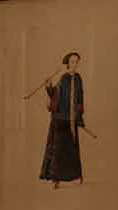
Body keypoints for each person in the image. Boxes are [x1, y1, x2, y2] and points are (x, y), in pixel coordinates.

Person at [39, 52, 86, 187]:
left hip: (72, 119)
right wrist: (48, 86)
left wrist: (79, 115)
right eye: (72, 62)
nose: (75, 65)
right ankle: (56, 178)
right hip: (61, 119)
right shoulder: (63, 78)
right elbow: (55, 94)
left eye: (77, 62)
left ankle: (75, 176)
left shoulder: (78, 78)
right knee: (59, 150)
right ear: (67, 64)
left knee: (72, 149)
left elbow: (80, 97)